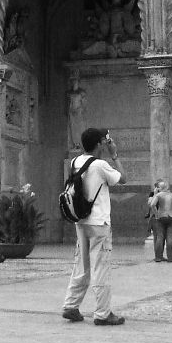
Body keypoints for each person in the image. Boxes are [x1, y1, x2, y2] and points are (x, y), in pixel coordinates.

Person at [61, 127, 126, 325]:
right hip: (99, 222)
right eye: (104, 141)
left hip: (81, 221)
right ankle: (103, 313)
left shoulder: (74, 162)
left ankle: (71, 305)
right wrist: (114, 154)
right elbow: (123, 179)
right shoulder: (100, 165)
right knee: (101, 268)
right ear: (100, 144)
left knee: (81, 265)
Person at [147, 180, 172, 263]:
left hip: (160, 217)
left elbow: (152, 205)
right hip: (171, 217)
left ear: (160, 188)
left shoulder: (158, 195)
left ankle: (158, 257)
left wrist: (156, 214)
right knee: (169, 238)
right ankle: (171, 258)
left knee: (159, 237)